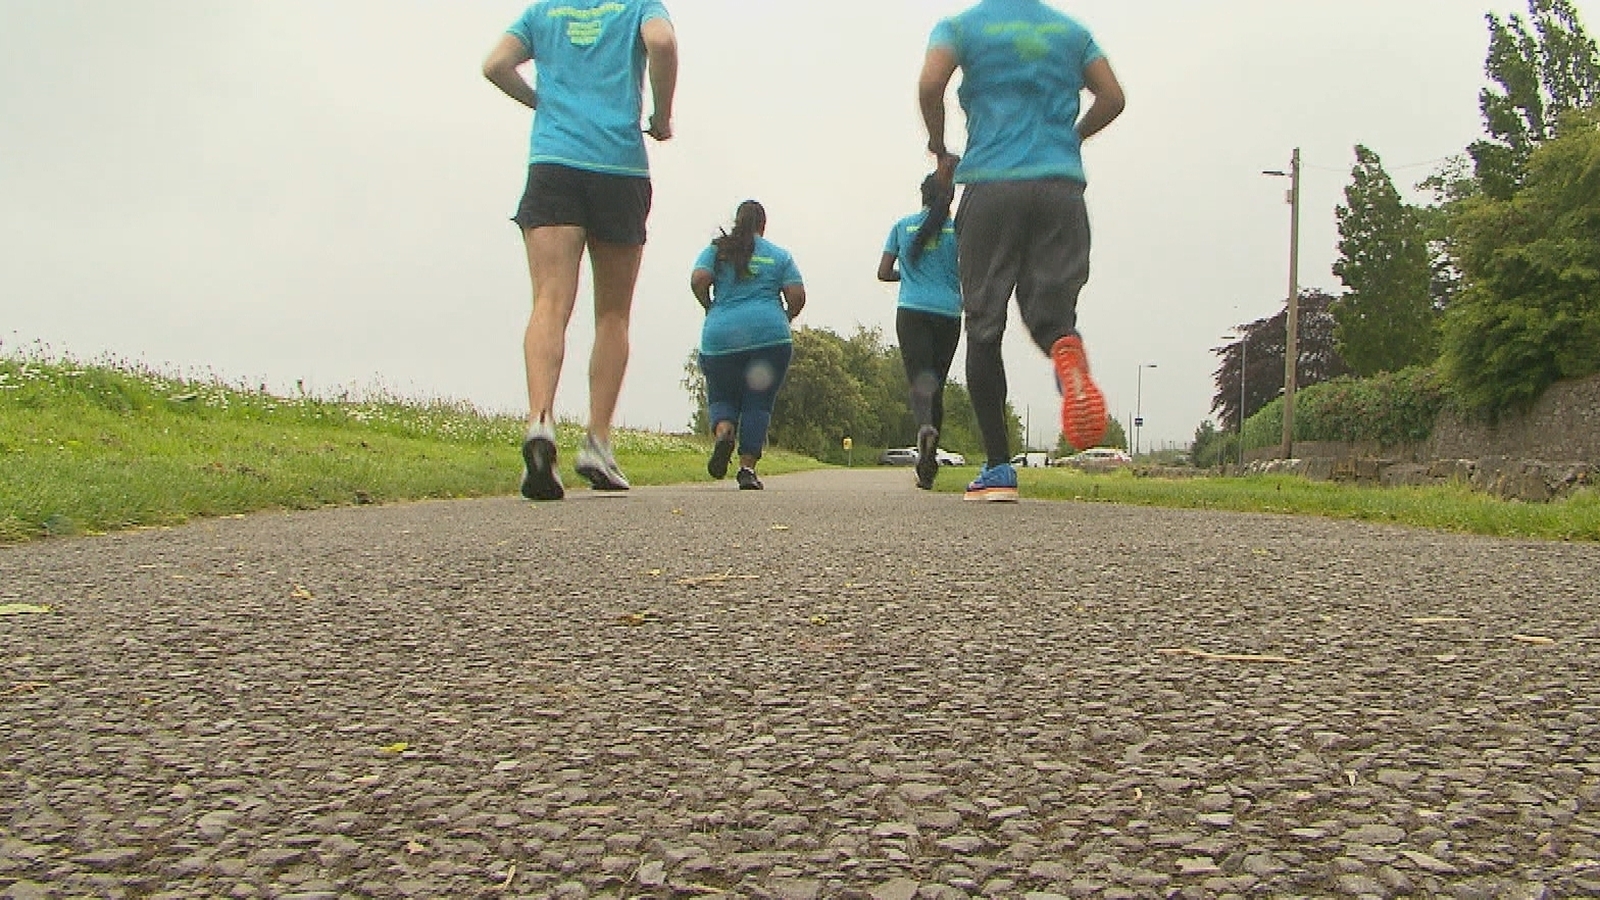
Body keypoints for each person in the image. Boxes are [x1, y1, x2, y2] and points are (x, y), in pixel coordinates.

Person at [918, 0, 1125, 502]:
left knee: (985, 327)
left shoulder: (961, 26)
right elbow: (1113, 98)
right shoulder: (1072, 31)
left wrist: (939, 142)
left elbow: (930, 84)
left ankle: (997, 469)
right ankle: (1065, 350)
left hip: (992, 184)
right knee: (1051, 314)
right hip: (1061, 188)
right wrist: (1070, 138)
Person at [483, 1, 678, 501]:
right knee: (612, 314)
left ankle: (540, 421)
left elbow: (495, 65)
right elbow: (661, 42)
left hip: (554, 161)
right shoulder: (639, 6)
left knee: (549, 301)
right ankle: (597, 440)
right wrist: (661, 113)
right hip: (618, 165)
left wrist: (540, 101)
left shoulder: (541, 12)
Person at [691, 201, 806, 491]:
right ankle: (746, 469)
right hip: (768, 339)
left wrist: (710, 305)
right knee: (758, 400)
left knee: (721, 397)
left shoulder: (718, 250)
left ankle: (724, 432)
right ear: (762, 225)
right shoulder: (779, 256)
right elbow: (797, 295)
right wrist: (784, 317)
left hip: (721, 338)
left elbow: (699, 279)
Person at [878, 174, 962, 491]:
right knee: (937, 384)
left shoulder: (902, 227)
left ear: (922, 195)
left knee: (919, 380)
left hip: (912, 310)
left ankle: (924, 426)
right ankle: (928, 467)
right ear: (950, 197)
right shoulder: (959, 230)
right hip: (949, 313)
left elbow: (883, 272)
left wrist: (911, 274)